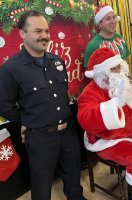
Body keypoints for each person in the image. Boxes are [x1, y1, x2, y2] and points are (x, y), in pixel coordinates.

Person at [0, 10, 86, 200]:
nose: (45, 36)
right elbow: (4, 106)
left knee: (73, 178)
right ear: (22, 34)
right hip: (40, 138)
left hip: (68, 132)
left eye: (47, 31)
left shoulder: (57, 61)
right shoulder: (10, 69)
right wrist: (30, 121)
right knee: (41, 186)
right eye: (38, 31)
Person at [78, 47, 132, 200]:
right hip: (108, 140)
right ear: (101, 72)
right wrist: (115, 104)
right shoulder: (90, 92)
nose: (117, 70)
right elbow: (85, 118)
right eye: (112, 68)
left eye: (118, 66)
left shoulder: (121, 81)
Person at [84, 4, 130, 69]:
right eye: (108, 19)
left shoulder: (121, 38)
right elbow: (89, 72)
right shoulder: (93, 45)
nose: (113, 21)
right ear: (100, 23)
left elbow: (126, 62)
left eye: (114, 17)